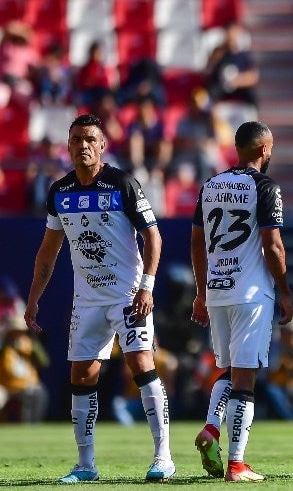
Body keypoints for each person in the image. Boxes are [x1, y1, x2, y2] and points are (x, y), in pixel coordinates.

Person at [23, 114, 174, 482]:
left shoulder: (122, 183)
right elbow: (48, 251)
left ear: (102, 145)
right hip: (88, 300)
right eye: (76, 139)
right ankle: (86, 465)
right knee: (82, 374)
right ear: (68, 145)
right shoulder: (60, 192)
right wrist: (33, 299)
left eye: (90, 139)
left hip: (128, 295)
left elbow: (153, 237)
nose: (83, 145)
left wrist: (147, 286)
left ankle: (163, 457)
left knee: (141, 364)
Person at [190, 121, 293, 481]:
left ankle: (211, 427)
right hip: (250, 293)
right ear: (265, 149)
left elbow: (196, 242)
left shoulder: (210, 185)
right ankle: (236, 463)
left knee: (230, 370)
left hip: (217, 292)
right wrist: (285, 291)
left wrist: (201, 292)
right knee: (245, 378)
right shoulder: (265, 187)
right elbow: (273, 246)